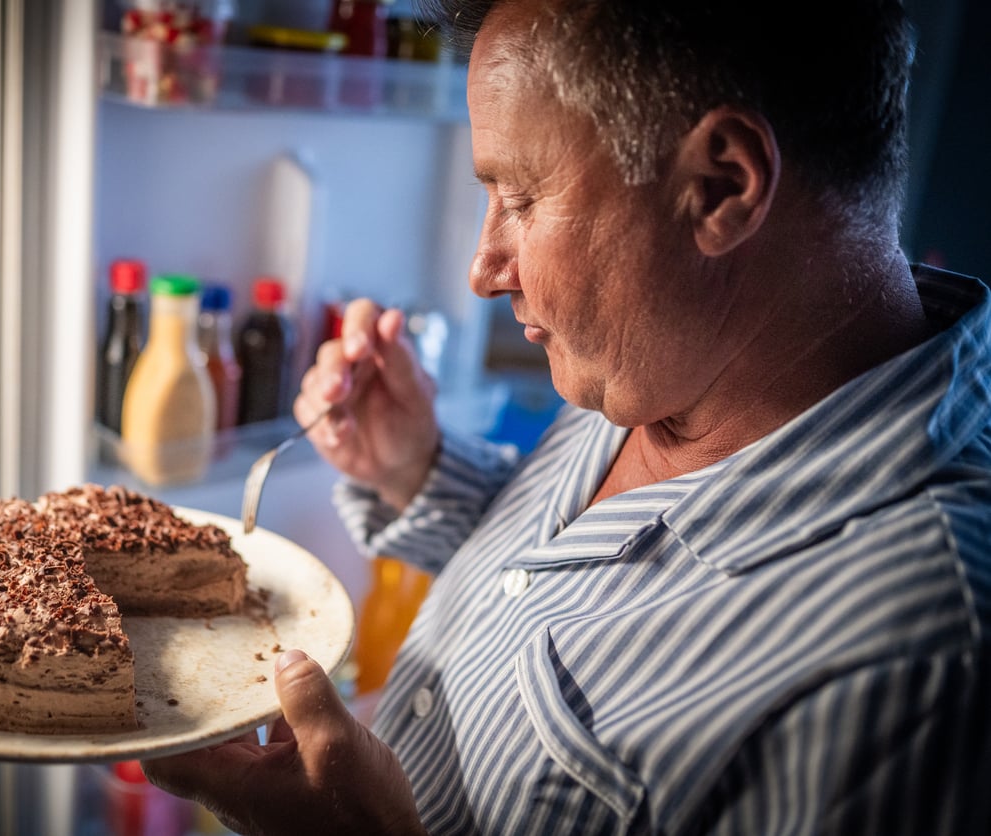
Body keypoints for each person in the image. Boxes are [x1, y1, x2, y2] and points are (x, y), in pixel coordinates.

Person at [143, 0, 991, 832]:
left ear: (721, 185)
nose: (483, 268)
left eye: (519, 195)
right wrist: (418, 466)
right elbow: (571, 583)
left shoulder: (920, 660)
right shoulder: (669, 349)